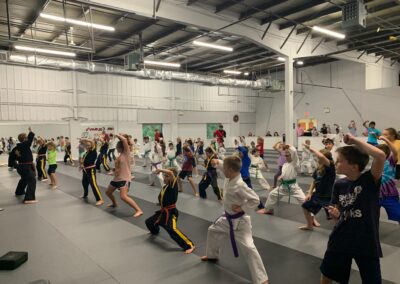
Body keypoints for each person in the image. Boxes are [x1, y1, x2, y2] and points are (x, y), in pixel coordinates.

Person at [320, 133, 386, 284]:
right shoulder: (339, 184)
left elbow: (381, 156)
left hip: (366, 240)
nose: (335, 163)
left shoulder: (369, 180)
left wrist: (354, 140)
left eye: (340, 161)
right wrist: (335, 214)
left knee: (372, 280)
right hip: (341, 237)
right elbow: (336, 212)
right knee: (327, 273)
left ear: (354, 166)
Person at [201, 156, 269, 284]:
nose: (222, 170)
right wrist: (217, 162)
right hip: (226, 218)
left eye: (224, 169)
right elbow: (225, 165)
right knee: (212, 230)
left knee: (249, 248)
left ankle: (262, 279)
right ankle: (212, 255)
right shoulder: (230, 176)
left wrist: (242, 208)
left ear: (230, 170)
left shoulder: (239, 185)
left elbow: (255, 199)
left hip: (240, 223)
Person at [145, 168, 195, 254]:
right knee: (149, 222)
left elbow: (171, 173)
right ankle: (155, 230)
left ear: (173, 178)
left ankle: (189, 245)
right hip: (163, 211)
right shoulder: (166, 186)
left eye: (167, 176)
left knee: (172, 229)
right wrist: (160, 203)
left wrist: (160, 169)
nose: (164, 178)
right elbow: (165, 198)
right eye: (164, 176)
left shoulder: (173, 185)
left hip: (171, 213)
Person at [258, 145, 305, 215]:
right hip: (283, 187)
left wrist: (289, 147)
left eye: (288, 155)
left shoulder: (295, 163)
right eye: (285, 155)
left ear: (291, 155)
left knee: (305, 201)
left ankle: (312, 218)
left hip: (294, 188)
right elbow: (285, 173)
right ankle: (268, 210)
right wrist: (281, 177)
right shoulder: (285, 164)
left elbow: (294, 152)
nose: (286, 157)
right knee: (272, 195)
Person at [105, 134, 143, 217]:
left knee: (123, 196)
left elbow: (125, 140)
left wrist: (117, 135)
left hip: (124, 179)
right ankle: (114, 203)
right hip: (117, 178)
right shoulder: (120, 155)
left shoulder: (126, 153)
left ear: (121, 148)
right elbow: (119, 166)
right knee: (108, 192)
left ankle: (139, 210)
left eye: (117, 147)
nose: (116, 149)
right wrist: (114, 170)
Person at [300, 147, 335, 230]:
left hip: (328, 196)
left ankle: (341, 229)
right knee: (305, 207)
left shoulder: (331, 167)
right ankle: (310, 225)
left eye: (319, 156)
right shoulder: (319, 168)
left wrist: (313, 149)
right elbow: (314, 181)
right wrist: (309, 193)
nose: (317, 158)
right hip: (318, 195)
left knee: (333, 215)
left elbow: (322, 157)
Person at [9, 127, 38, 204]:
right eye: (26, 138)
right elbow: (30, 140)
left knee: (24, 179)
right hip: (26, 167)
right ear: (25, 139)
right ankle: (29, 198)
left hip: (21, 167)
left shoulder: (15, 148)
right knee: (32, 180)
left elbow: (11, 159)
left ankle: (19, 192)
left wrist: (15, 166)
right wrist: (30, 131)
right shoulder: (25, 145)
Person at [376, 136, 400, 222]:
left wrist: (386, 140)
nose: (377, 155)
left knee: (398, 214)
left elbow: (395, 151)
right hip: (375, 195)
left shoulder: (390, 161)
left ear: (386, 154)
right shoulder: (374, 163)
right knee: (372, 217)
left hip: (389, 195)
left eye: (380, 153)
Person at [237, 145, 264, 210]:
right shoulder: (240, 159)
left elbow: (244, 151)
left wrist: (239, 147)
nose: (239, 154)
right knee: (237, 193)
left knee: (252, 194)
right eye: (239, 153)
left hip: (246, 179)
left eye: (240, 153)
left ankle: (261, 206)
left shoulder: (246, 158)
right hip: (240, 179)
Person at [79, 138, 103, 206]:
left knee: (93, 184)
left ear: (92, 146)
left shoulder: (93, 151)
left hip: (91, 170)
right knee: (84, 183)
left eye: (89, 145)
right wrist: (81, 165)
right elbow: (84, 161)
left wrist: (84, 139)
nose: (87, 146)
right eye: (86, 145)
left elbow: (91, 142)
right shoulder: (86, 153)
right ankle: (85, 194)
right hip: (85, 170)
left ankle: (100, 199)